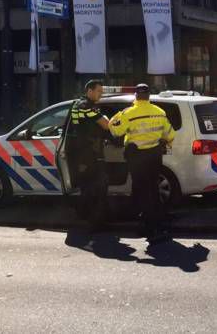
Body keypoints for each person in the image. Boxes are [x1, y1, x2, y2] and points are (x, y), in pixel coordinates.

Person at [109, 84, 176, 244]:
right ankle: (153, 223)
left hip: (137, 157)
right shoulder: (159, 112)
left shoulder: (128, 113)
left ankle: (150, 227)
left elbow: (115, 130)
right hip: (154, 156)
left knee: (143, 191)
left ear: (136, 96)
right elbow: (170, 134)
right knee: (153, 189)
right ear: (149, 96)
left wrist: (117, 115)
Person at [66, 79, 110, 229]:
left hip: (84, 152)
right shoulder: (86, 106)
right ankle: (95, 221)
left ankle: (84, 214)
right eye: (99, 91)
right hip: (89, 153)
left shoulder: (78, 104)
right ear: (89, 91)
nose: (101, 94)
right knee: (98, 186)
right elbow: (106, 124)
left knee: (88, 186)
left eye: (102, 92)